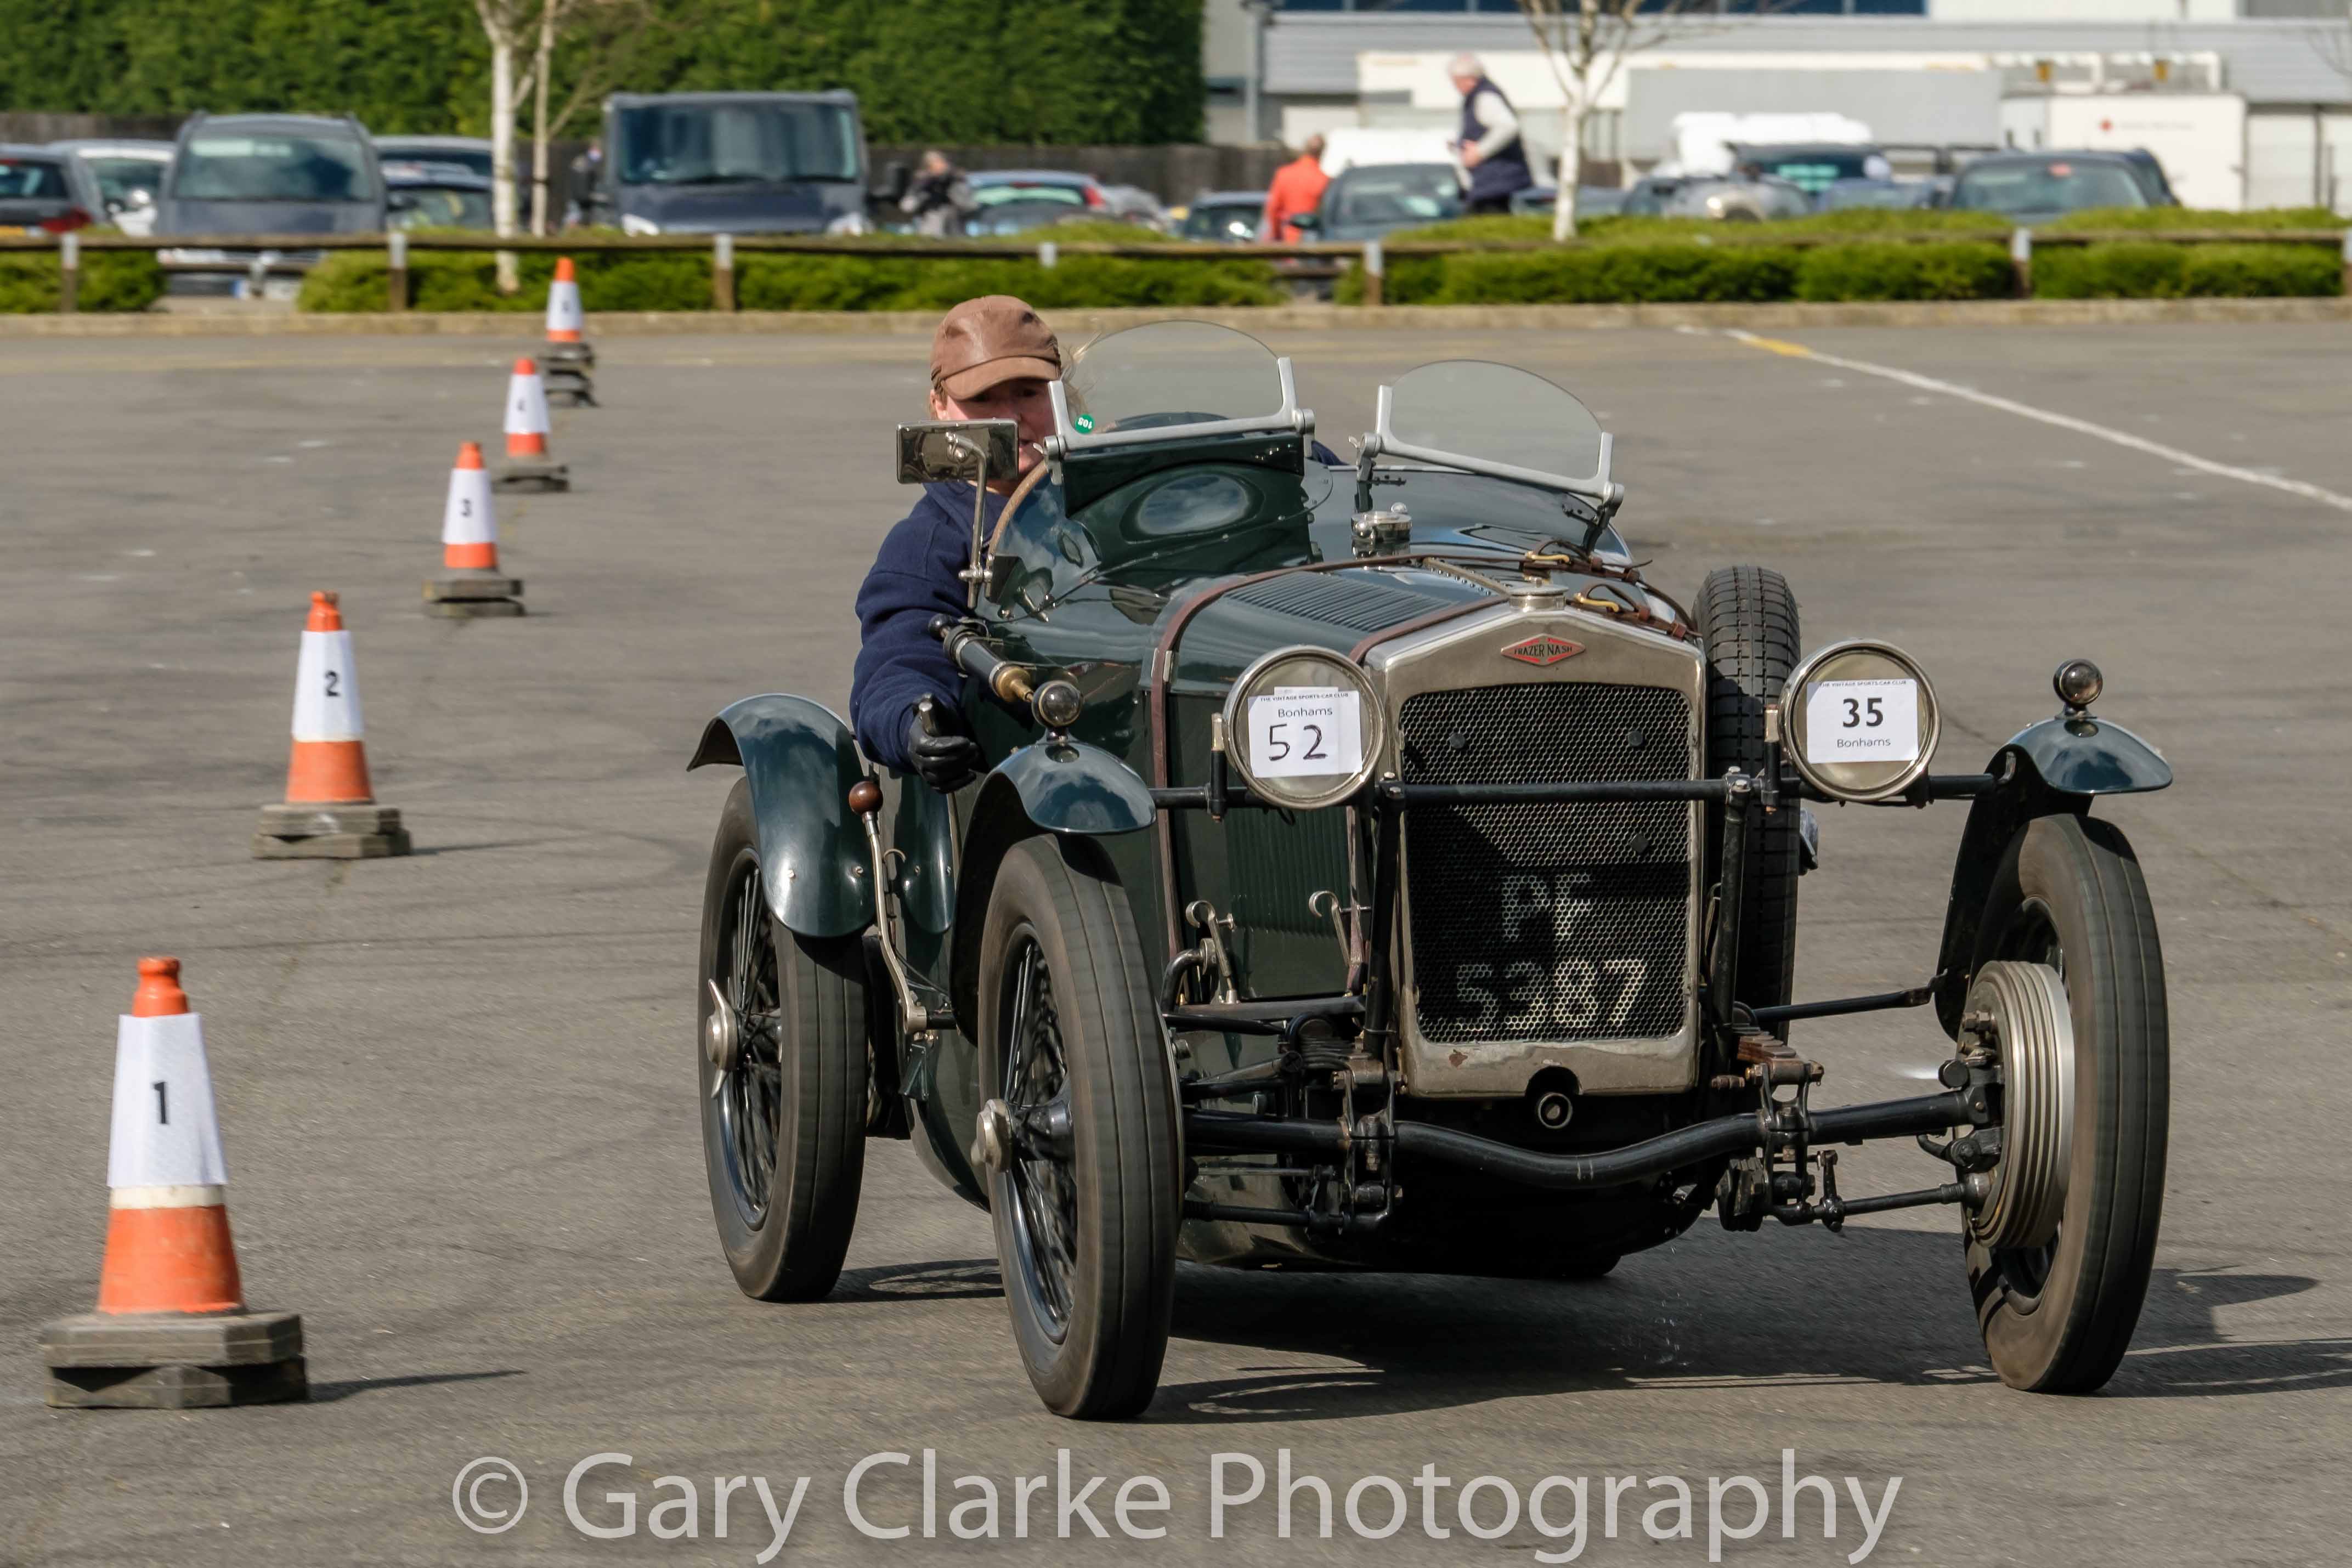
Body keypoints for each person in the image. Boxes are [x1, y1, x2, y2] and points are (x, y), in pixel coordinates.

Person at [850, 296, 1062, 790]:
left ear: (1061, 398)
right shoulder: (927, 544)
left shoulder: (1115, 501)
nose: (1010, 418)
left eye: (1029, 392)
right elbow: (898, 657)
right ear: (940, 408)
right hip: (1019, 777)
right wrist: (916, 723)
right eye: (984, 400)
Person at [1448, 53, 1533, 216]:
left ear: (1467, 79)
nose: (1455, 87)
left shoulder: (1485, 97)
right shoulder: (1479, 96)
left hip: (1493, 183)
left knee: (1488, 227)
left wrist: (1479, 152)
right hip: (1489, 183)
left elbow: (1508, 126)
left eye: (1456, 82)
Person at [1260, 134, 1330, 243]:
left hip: (1286, 238)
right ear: (1322, 152)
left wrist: (1276, 234)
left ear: (1305, 150)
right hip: (1313, 241)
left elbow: (1273, 208)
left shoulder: (1284, 174)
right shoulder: (1324, 180)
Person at [899, 149, 977, 238]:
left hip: (955, 232)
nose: (939, 167)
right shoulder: (923, 183)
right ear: (927, 167)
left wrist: (953, 183)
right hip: (930, 231)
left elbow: (970, 206)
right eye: (934, 164)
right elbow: (907, 207)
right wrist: (926, 186)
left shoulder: (955, 180)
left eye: (941, 163)